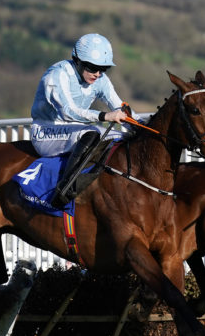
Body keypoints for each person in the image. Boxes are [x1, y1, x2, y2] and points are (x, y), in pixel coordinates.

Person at [30, 33, 132, 207]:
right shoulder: (56, 75)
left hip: (76, 130)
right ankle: (65, 189)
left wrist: (144, 125)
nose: (98, 74)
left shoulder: (100, 79)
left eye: (103, 69)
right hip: (46, 132)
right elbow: (68, 112)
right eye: (92, 67)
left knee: (119, 138)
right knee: (91, 133)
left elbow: (119, 107)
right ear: (77, 60)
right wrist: (104, 116)